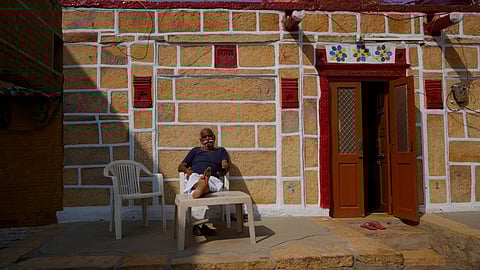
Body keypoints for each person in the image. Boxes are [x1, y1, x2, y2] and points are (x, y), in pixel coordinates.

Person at [178, 128, 230, 199]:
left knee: (211, 182)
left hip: (212, 177)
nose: (207, 138)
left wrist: (223, 169)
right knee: (194, 178)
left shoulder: (220, 151)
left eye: (209, 136)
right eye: (204, 137)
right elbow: (181, 167)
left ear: (214, 137)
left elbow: (225, 163)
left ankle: (201, 187)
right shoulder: (195, 150)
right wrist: (187, 170)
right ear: (201, 140)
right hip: (195, 175)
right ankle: (201, 186)